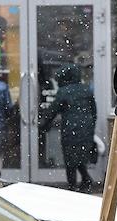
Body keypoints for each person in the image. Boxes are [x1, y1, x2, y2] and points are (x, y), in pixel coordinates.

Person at [40, 63, 97, 192]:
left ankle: (72, 187)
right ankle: (86, 180)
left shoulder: (64, 92)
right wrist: (90, 126)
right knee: (79, 157)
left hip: (71, 130)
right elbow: (94, 111)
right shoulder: (86, 90)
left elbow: (52, 111)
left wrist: (42, 124)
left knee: (70, 159)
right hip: (86, 129)